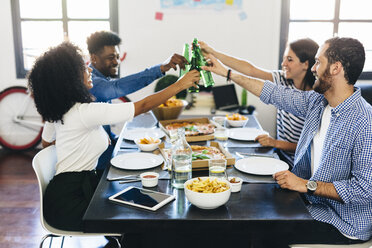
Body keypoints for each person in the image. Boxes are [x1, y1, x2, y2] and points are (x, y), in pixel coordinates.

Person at [202, 37, 372, 246]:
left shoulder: (365, 121)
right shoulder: (318, 102)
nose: (313, 69)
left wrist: (306, 185)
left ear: (336, 68)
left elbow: (365, 190)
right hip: (311, 204)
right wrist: (227, 73)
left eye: (319, 62)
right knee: (249, 217)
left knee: (256, 233)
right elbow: (274, 93)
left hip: (342, 223)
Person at [28, 42, 199, 231]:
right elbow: (141, 106)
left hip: (69, 191)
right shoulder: (85, 112)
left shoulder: (60, 111)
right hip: (72, 204)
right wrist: (180, 85)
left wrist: (85, 142)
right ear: (70, 79)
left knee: (143, 203)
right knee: (142, 216)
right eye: (83, 67)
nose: (89, 70)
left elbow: (47, 144)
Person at [199, 38, 319, 168]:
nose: (283, 63)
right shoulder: (282, 79)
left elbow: (311, 149)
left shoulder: (314, 100)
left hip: (299, 167)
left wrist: (275, 143)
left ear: (306, 64)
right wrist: (213, 52)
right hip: (279, 158)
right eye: (284, 58)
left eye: (289, 59)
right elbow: (250, 69)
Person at [86, 30, 189, 173]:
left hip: (105, 158)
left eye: (117, 56)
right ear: (94, 58)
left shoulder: (102, 79)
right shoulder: (93, 84)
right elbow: (118, 88)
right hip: (96, 169)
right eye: (111, 57)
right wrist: (161, 69)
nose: (116, 62)